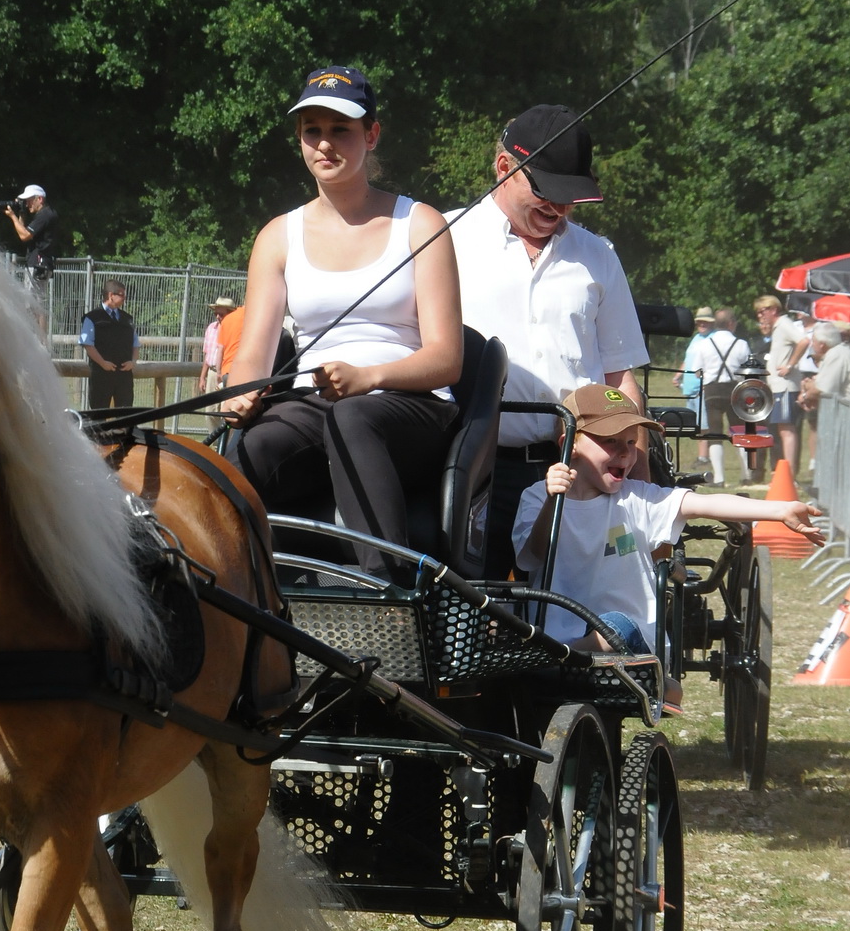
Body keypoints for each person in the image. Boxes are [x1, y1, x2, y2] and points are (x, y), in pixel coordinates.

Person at [226, 65, 462, 580]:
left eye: (341, 130)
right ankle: (233, 601)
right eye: (313, 130)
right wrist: (236, 391)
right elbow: (253, 354)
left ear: (371, 134)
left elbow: (447, 360)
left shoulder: (421, 223)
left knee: (352, 417)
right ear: (299, 139)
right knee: (251, 450)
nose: (325, 145)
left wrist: (368, 378)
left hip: (413, 409)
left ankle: (390, 598)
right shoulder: (276, 236)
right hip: (318, 406)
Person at [446, 104, 648, 576]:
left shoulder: (599, 257)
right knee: (470, 610)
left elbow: (620, 376)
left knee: (564, 614)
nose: (557, 208)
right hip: (473, 465)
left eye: (569, 197)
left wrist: (639, 484)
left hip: (576, 467)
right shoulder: (446, 237)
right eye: (547, 192)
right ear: (504, 168)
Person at [512, 384, 824, 657]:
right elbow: (533, 556)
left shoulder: (639, 497)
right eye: (611, 442)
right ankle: (559, 654)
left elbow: (704, 504)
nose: (625, 454)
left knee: (615, 625)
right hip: (554, 631)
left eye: (631, 442)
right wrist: (555, 500)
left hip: (629, 637)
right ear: (571, 443)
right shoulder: (537, 496)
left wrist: (779, 511)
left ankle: (556, 659)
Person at [694, 306, 751, 486]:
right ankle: (746, 476)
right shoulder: (741, 344)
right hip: (735, 390)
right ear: (731, 324)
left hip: (712, 391)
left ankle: (719, 478)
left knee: (715, 433)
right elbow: (748, 371)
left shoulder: (704, 344)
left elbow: (697, 372)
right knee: (739, 432)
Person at [754, 293, 804, 476]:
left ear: (773, 309)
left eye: (763, 311)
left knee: (786, 429)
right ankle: (786, 473)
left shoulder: (784, 324)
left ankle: (789, 474)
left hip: (785, 385)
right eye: (758, 313)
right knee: (781, 429)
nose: (760, 315)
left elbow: (804, 341)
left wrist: (790, 364)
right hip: (778, 386)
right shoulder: (777, 327)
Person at [4, 185, 58, 333]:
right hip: (38, 263)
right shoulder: (44, 214)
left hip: (38, 264)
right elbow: (24, 233)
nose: (27, 204)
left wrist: (12, 217)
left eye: (29, 201)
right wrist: (21, 212)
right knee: (32, 303)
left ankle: (40, 341)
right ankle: (37, 338)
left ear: (39, 199)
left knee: (35, 304)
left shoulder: (44, 215)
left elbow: (24, 235)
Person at [79, 279, 140, 410]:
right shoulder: (92, 317)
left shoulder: (127, 319)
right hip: (101, 375)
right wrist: (103, 363)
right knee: (99, 416)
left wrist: (133, 362)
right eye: (122, 295)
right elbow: (87, 344)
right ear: (111, 295)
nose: (125, 298)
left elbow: (136, 344)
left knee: (125, 416)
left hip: (124, 377)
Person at [672, 308, 716, 464]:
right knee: (695, 425)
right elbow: (687, 360)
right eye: (700, 322)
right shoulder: (696, 338)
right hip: (689, 389)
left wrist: (709, 384)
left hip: (701, 388)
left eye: (706, 322)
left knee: (703, 425)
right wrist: (678, 375)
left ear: (712, 323)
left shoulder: (713, 339)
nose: (702, 324)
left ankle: (704, 457)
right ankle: (702, 456)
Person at [198, 296, 235, 393]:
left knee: (225, 406)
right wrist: (202, 378)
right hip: (212, 373)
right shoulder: (211, 328)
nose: (218, 316)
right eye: (216, 313)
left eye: (221, 314)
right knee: (210, 407)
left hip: (227, 374)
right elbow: (207, 355)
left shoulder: (234, 331)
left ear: (230, 314)